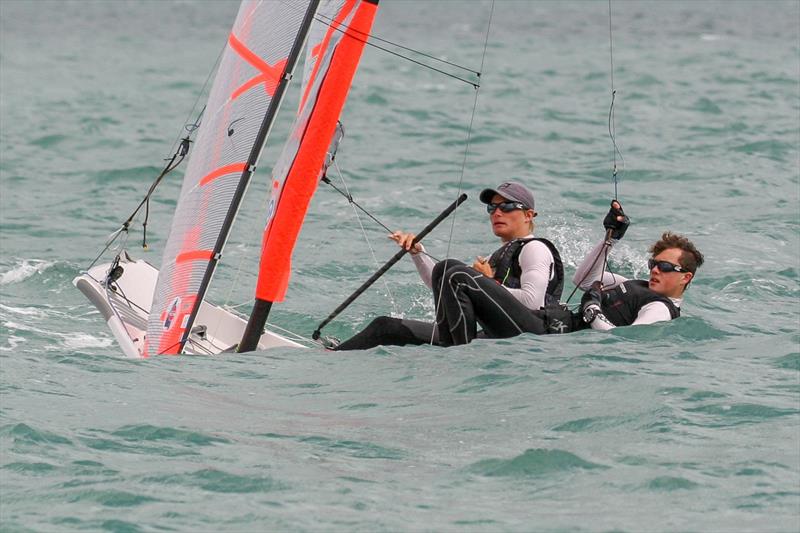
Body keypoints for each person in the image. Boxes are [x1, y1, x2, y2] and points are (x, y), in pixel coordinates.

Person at [334, 181, 564, 350]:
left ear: (528, 215)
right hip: (497, 333)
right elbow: (443, 285)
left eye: (507, 206)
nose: (497, 213)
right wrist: (417, 253)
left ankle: (458, 355)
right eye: (492, 208)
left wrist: (489, 282)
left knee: (454, 271)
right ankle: (333, 356)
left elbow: (532, 301)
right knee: (386, 326)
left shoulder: (535, 248)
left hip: (533, 333)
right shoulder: (499, 253)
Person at [574, 200, 705, 330]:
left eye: (664, 266)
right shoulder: (636, 284)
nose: (654, 270)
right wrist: (611, 239)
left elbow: (623, 338)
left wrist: (592, 311)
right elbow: (583, 280)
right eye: (653, 264)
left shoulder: (660, 309)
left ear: (686, 277)